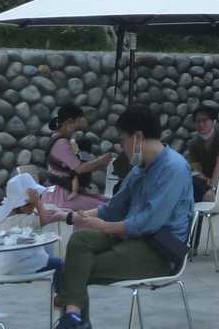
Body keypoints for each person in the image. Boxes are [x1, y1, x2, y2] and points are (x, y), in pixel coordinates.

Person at [52, 105, 194, 329]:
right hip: (131, 237)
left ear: (137, 137)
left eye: (123, 140)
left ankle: (73, 319)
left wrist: (105, 227)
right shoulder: (139, 168)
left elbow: (148, 222)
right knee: (80, 240)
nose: (122, 147)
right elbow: (113, 208)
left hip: (158, 251)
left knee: (72, 270)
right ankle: (75, 318)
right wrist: (70, 216)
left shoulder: (174, 168)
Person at [0, 173, 66, 277]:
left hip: (7, 263)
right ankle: (60, 288)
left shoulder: (3, 213)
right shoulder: (19, 220)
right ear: (21, 205)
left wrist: (37, 206)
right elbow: (44, 220)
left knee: (46, 249)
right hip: (19, 264)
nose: (34, 207)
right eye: (32, 204)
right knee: (59, 263)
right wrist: (38, 202)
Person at [44, 103, 115, 212]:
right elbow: (79, 168)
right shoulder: (61, 143)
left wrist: (100, 164)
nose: (76, 130)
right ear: (69, 122)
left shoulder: (61, 140)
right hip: (62, 197)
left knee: (108, 202)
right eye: (76, 123)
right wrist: (101, 160)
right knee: (107, 207)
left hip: (65, 192)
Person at [187, 103, 219, 203]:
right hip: (206, 183)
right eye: (198, 121)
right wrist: (206, 180)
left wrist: (213, 189)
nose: (201, 124)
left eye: (205, 120)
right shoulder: (193, 143)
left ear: (214, 121)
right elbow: (197, 170)